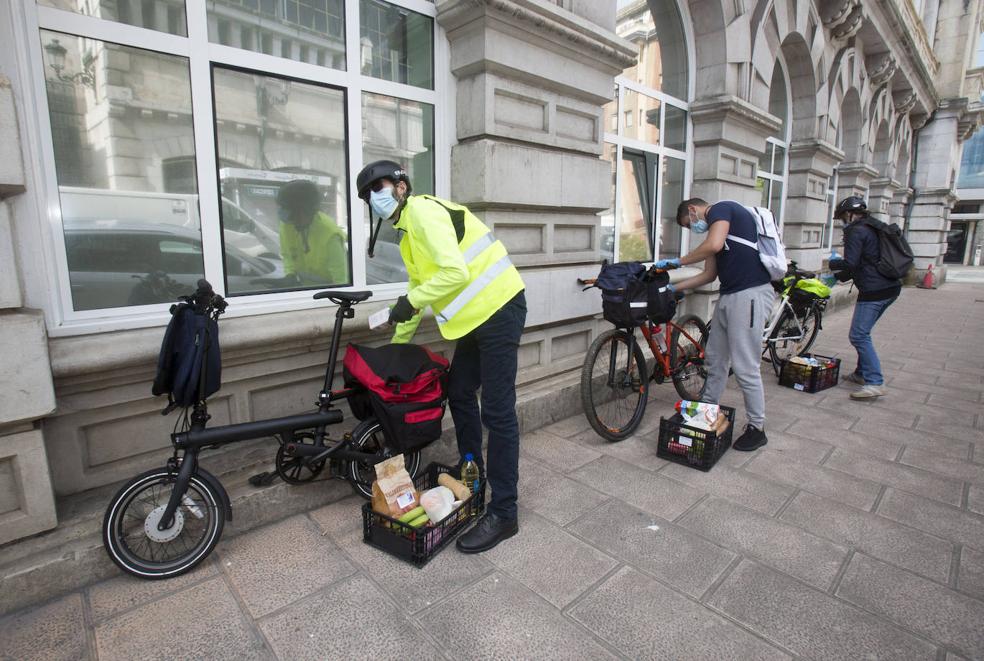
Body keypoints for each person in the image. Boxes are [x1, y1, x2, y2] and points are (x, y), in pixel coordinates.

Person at [355, 160, 527, 553]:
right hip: (475, 319)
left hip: (499, 309)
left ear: (400, 186)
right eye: (368, 195)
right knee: (460, 390)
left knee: (498, 411)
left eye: (378, 187)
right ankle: (472, 473)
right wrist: (395, 350)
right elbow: (418, 297)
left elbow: (454, 273)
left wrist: (409, 300)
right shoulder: (406, 236)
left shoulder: (424, 212)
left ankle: (505, 512)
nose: (374, 197)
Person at [656, 198, 776, 452]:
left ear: (693, 210)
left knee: (745, 366)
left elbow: (713, 244)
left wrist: (679, 261)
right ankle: (706, 412)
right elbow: (709, 275)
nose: (692, 229)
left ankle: (757, 428)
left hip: (750, 295)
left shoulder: (721, 209)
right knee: (714, 360)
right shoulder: (717, 231)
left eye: (689, 225)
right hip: (729, 297)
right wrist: (673, 288)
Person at [828, 196, 900, 399]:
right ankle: (862, 373)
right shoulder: (873, 227)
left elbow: (851, 263)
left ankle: (875, 382)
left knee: (858, 335)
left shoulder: (855, 230)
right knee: (864, 332)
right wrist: (842, 275)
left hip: (874, 290)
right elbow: (863, 262)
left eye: (843, 217)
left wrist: (832, 265)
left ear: (849, 214)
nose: (843, 221)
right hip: (890, 287)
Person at [256, 179, 349, 288]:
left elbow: (341, 280)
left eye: (286, 208)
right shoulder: (287, 224)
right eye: (281, 207)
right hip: (305, 289)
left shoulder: (330, 235)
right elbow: (287, 254)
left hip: (328, 291)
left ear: (305, 210)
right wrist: (290, 274)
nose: (282, 212)